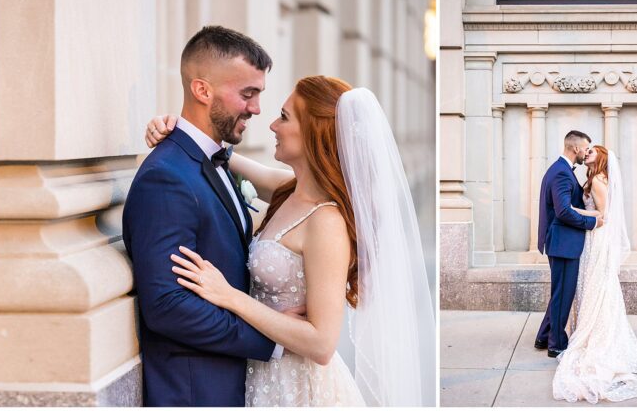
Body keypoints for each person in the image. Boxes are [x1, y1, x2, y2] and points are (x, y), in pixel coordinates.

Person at [146, 77, 434, 406]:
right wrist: (173, 128)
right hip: (261, 374)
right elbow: (218, 155)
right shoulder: (287, 190)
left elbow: (323, 344)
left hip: (298, 389)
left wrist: (230, 297)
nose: (272, 125)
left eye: (284, 117)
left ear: (313, 132)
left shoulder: (326, 222)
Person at [122, 26, 279, 407]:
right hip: (197, 389)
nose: (257, 108)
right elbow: (167, 306)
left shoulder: (213, 160)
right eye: (248, 94)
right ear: (202, 90)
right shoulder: (166, 177)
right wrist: (271, 338)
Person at [552, 145, 637, 403]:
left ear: (601, 158)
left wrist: (574, 210)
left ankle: (596, 334)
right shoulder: (591, 179)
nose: (588, 152)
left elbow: (604, 216)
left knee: (598, 285)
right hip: (591, 237)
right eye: (587, 149)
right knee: (591, 285)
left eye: (592, 151)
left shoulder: (600, 181)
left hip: (598, 237)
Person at [535, 132, 602, 358]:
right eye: (585, 148)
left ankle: (544, 336)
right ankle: (556, 344)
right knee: (563, 294)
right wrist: (592, 222)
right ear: (575, 149)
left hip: (560, 241)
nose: (586, 152)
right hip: (563, 242)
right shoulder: (562, 173)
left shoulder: (558, 169)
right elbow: (563, 212)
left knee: (559, 292)